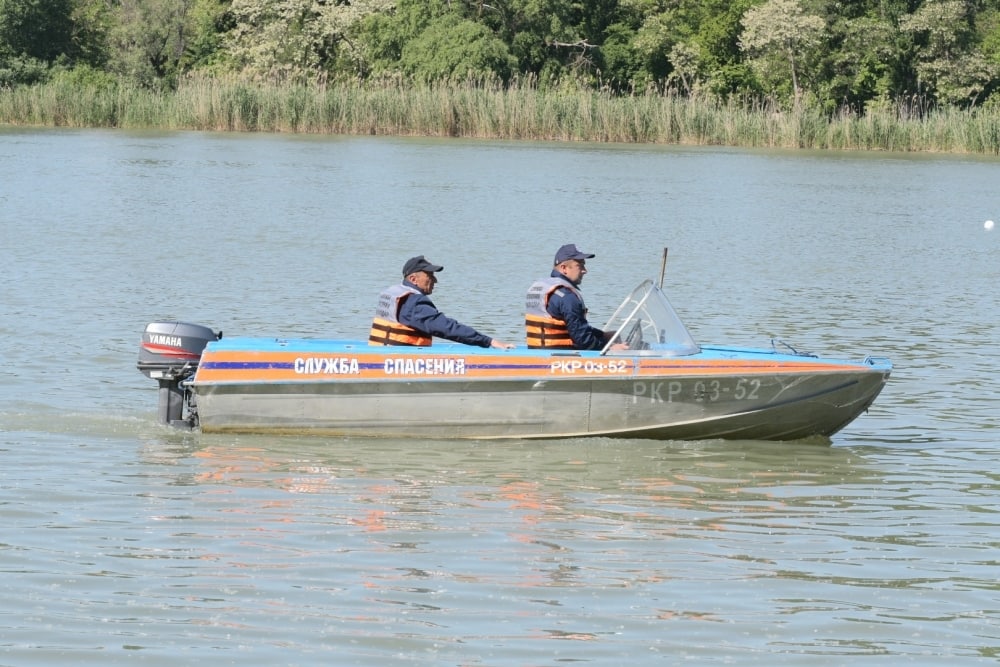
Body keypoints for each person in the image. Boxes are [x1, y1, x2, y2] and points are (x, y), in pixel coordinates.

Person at [370, 255, 514, 349]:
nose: (435, 280)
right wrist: (488, 341)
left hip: (383, 355)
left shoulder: (395, 293)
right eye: (430, 276)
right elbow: (447, 328)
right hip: (398, 363)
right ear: (413, 279)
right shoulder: (413, 302)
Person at [525, 244, 628, 351]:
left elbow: (575, 328)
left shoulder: (544, 287)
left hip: (538, 352)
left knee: (609, 337)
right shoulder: (567, 296)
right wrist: (610, 347)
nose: (585, 271)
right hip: (559, 357)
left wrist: (602, 335)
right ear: (564, 268)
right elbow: (583, 340)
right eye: (580, 265)